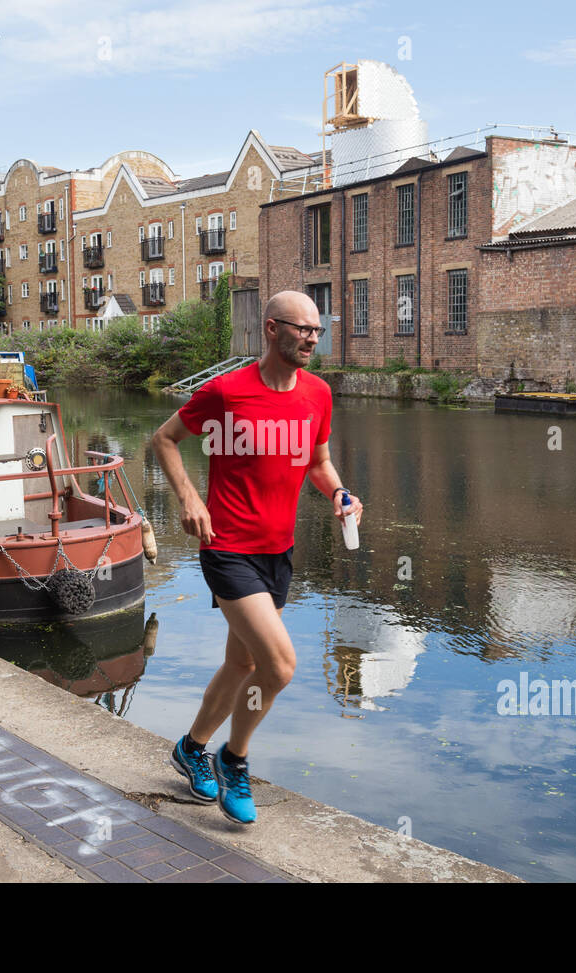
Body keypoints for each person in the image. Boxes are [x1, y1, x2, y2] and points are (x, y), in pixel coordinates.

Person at [151, 290, 363, 824]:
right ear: (272, 329)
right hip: (226, 546)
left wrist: (339, 494)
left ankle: (192, 748)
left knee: (243, 662)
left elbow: (318, 461)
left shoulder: (317, 394)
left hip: (278, 551)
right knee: (279, 665)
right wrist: (189, 498)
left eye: (318, 330)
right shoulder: (226, 392)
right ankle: (234, 758)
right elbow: (166, 438)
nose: (312, 338)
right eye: (302, 329)